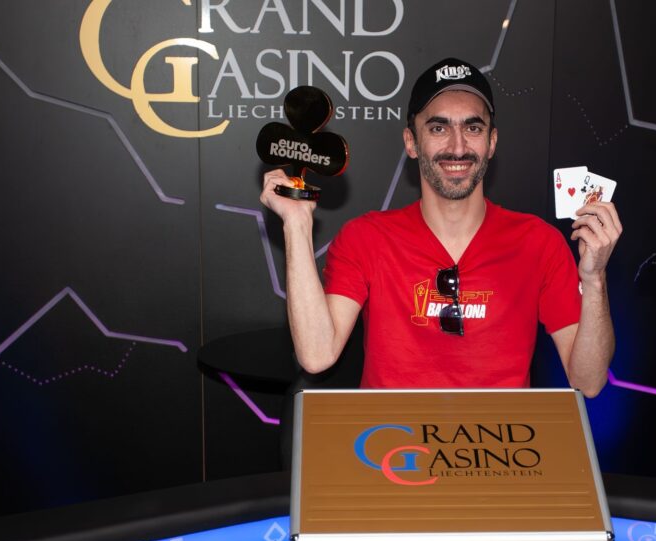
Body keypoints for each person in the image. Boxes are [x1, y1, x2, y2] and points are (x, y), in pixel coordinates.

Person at [260, 58, 621, 397]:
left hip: (501, 442)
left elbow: (588, 382)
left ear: (492, 142)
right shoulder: (365, 238)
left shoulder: (538, 242)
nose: (458, 147)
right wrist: (296, 224)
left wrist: (594, 280)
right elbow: (316, 356)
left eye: (473, 128)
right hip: (390, 439)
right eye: (438, 128)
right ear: (411, 142)